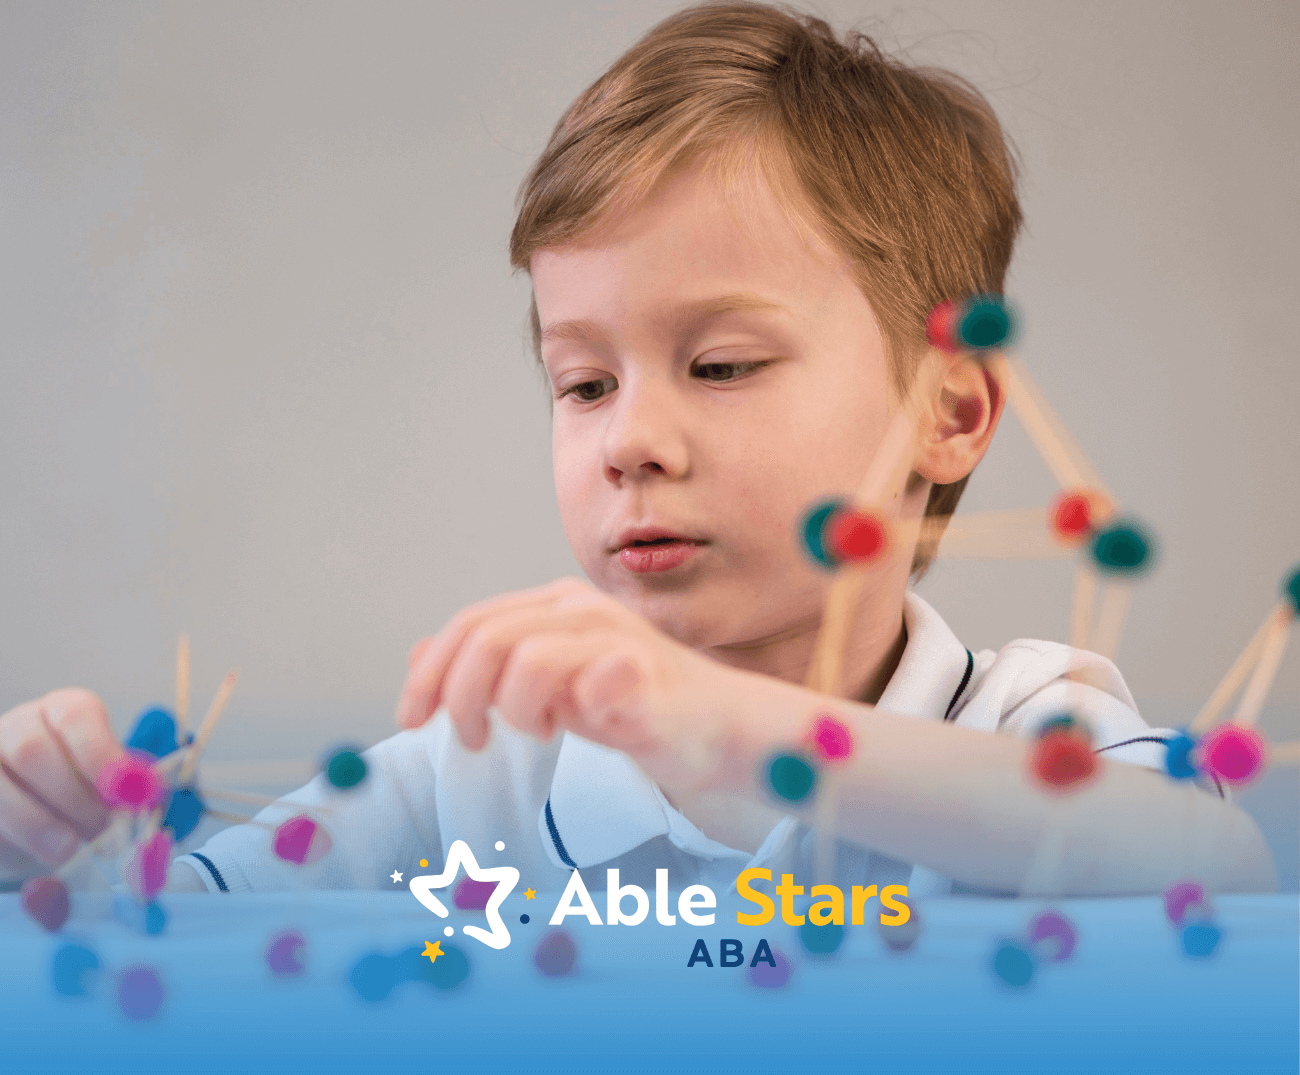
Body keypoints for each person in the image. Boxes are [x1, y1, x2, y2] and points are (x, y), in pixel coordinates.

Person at [0, 2, 1275, 900]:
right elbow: (167, 929)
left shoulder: (1025, 719)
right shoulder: (466, 783)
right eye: (584, 383)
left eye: (720, 365)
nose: (630, 441)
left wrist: (739, 730)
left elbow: (1210, 865)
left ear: (948, 414)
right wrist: (45, 849)